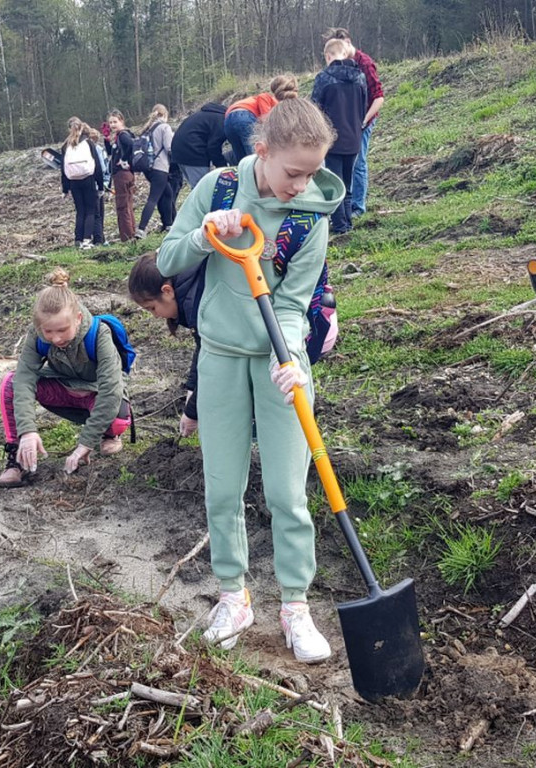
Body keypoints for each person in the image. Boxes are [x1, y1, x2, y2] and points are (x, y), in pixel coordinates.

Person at [156, 99, 344, 662]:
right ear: (262, 151)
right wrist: (203, 234)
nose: (301, 184)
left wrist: (289, 352)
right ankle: (234, 598)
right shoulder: (215, 189)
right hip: (218, 357)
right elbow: (166, 260)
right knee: (223, 488)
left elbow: (294, 298)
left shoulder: (311, 215)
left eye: (312, 173)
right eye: (293, 172)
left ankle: (295, 605)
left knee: (288, 493)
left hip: (281, 365)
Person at [0, 268, 131, 487]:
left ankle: (109, 435)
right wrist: (27, 431)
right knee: (10, 383)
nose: (56, 338)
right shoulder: (36, 335)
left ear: (78, 319)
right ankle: (16, 459)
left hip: (94, 393)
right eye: (48, 332)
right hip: (64, 388)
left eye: (62, 330)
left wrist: (85, 443)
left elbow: (111, 389)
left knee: (117, 420)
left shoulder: (100, 335)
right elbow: (24, 378)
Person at [128, 251, 204, 437]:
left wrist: (192, 412)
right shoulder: (189, 293)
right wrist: (192, 388)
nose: (155, 315)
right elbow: (202, 347)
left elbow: (214, 363)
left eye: (152, 308)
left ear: (167, 291)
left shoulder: (197, 301)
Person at [325, 27, 384, 218]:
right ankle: (343, 207)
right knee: (343, 163)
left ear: (348, 43)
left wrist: (363, 121)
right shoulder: (337, 67)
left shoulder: (364, 64)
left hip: (362, 120)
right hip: (344, 121)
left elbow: (379, 97)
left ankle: (358, 206)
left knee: (358, 162)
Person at [312, 38, 367, 234]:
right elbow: (363, 107)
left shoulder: (324, 78)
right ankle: (348, 223)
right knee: (348, 182)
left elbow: (315, 111)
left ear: (328, 56)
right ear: (346, 54)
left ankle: (340, 225)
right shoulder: (360, 77)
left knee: (335, 184)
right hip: (354, 138)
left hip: (332, 138)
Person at [223, 75, 299, 163]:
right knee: (256, 157)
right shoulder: (267, 98)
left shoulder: (268, 100)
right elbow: (265, 120)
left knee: (242, 159)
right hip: (243, 116)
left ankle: (243, 174)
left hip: (228, 121)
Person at [57, 117, 105, 250]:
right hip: (88, 179)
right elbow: (97, 166)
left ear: (69, 129)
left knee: (80, 211)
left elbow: (63, 169)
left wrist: (65, 189)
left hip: (73, 181)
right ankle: (87, 240)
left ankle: (78, 239)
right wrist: (100, 185)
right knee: (90, 211)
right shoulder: (88, 143)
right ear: (82, 127)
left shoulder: (65, 146)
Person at [135, 104, 176, 238]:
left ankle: (169, 224)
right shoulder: (164, 127)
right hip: (161, 167)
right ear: (165, 115)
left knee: (168, 193)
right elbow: (169, 148)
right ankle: (141, 229)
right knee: (153, 198)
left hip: (149, 168)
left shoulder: (147, 129)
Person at [171, 101, 229, 189]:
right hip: (193, 152)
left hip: (178, 151)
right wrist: (222, 166)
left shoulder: (203, 116)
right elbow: (213, 146)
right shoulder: (221, 120)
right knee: (202, 190)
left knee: (196, 188)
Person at [105, 109, 137, 242]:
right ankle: (131, 231)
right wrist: (106, 140)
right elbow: (110, 153)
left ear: (121, 121)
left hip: (122, 175)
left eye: (115, 122)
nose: (112, 125)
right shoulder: (118, 136)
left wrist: (124, 159)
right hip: (125, 174)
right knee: (127, 204)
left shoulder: (123, 135)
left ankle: (127, 236)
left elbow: (131, 145)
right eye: (110, 122)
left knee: (122, 205)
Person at [87, 127, 111, 246]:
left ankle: (98, 239)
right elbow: (104, 168)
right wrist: (106, 182)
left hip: (92, 184)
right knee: (99, 213)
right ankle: (100, 239)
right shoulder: (99, 149)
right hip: (99, 184)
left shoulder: (91, 149)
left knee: (95, 213)